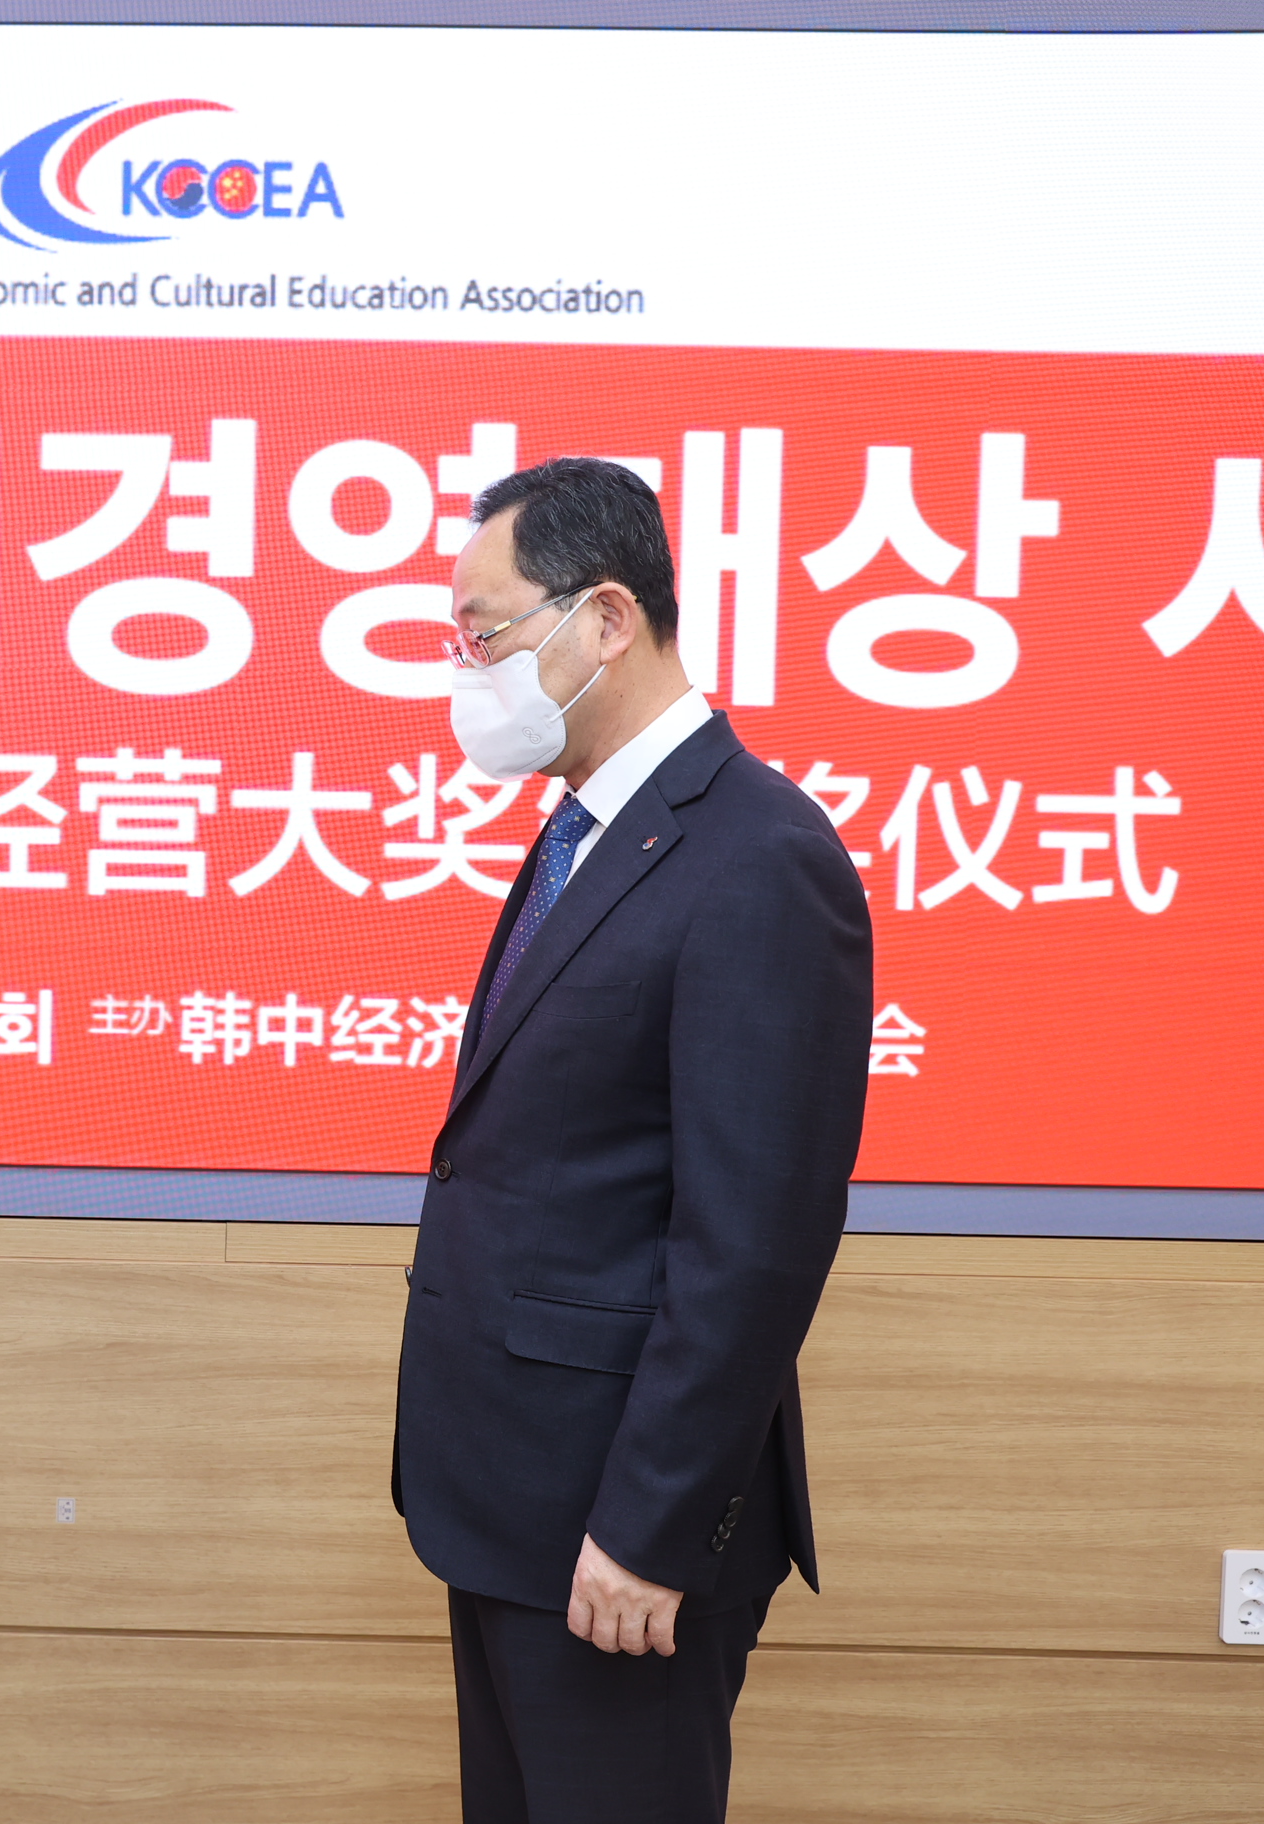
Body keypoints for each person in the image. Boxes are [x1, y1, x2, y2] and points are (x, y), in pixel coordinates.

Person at [393, 458, 872, 1823]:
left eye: (485, 632)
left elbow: (753, 1243)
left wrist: (649, 1530)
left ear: (605, 618)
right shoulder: (591, 831)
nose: (469, 670)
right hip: (513, 1506)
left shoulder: (758, 857)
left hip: (617, 1534)